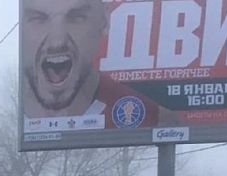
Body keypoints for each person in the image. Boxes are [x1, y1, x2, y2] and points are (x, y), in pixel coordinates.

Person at [21, 0, 171, 128]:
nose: (57, 43)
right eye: (38, 19)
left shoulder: (154, 119)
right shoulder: (11, 120)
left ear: (104, 21)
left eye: (76, 18)